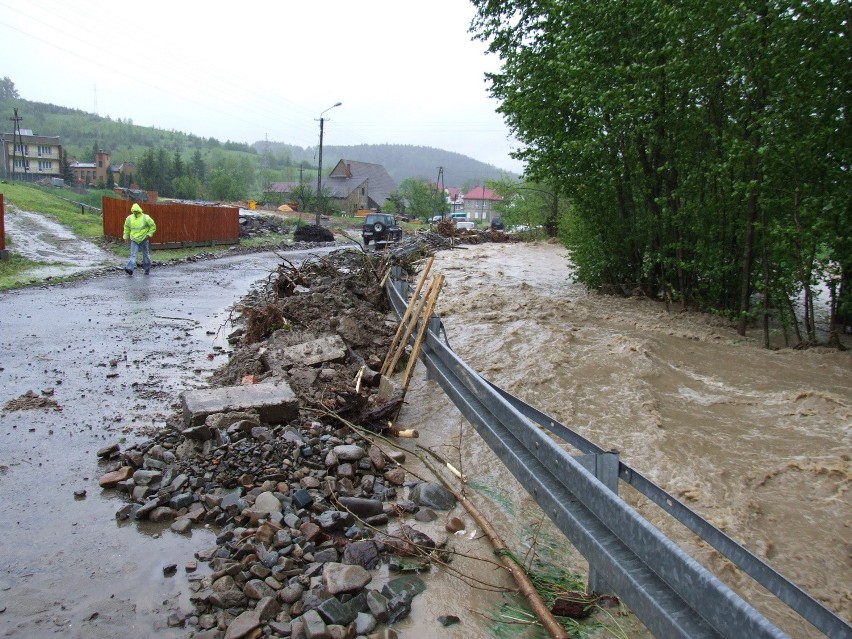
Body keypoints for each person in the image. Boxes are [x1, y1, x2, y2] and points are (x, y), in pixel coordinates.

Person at [123, 203, 156, 275]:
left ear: (139, 210)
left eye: (136, 211)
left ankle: (147, 269)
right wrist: (126, 237)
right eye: (134, 211)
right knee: (133, 255)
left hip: (143, 239)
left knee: (145, 254)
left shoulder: (145, 217)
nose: (135, 212)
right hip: (134, 239)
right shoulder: (129, 218)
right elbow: (126, 228)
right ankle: (130, 269)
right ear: (132, 211)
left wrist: (148, 235)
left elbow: (153, 226)